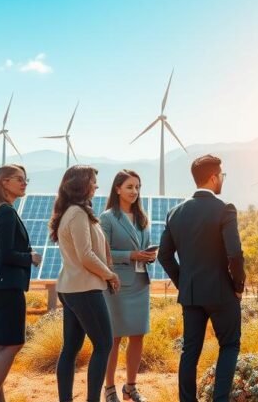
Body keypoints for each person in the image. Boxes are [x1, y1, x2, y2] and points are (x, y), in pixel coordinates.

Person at [158, 155, 245, 402]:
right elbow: (235, 253)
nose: (222, 180)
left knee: (190, 351)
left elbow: (164, 256)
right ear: (212, 177)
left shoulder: (175, 213)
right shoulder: (224, 209)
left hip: (191, 294)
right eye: (222, 176)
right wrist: (238, 286)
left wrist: (183, 283)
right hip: (222, 292)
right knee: (229, 346)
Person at [50, 165, 120, 402]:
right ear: (81, 184)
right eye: (93, 181)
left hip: (71, 288)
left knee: (70, 348)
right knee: (104, 344)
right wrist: (110, 274)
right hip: (84, 288)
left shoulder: (72, 212)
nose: (97, 186)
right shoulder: (78, 214)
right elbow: (86, 255)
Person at [0, 164, 42, 402]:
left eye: (26, 179)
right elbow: (6, 254)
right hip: (6, 285)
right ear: (3, 182)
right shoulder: (5, 212)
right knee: (13, 343)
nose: (24, 183)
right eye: (19, 179)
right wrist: (31, 257)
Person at [100, 170, 155, 402]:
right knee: (114, 337)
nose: (135, 191)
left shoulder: (143, 217)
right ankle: (110, 387)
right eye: (130, 186)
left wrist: (149, 255)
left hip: (141, 283)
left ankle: (130, 387)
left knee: (138, 336)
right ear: (117, 189)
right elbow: (103, 253)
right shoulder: (107, 218)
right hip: (117, 284)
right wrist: (131, 255)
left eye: (138, 187)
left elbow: (144, 246)